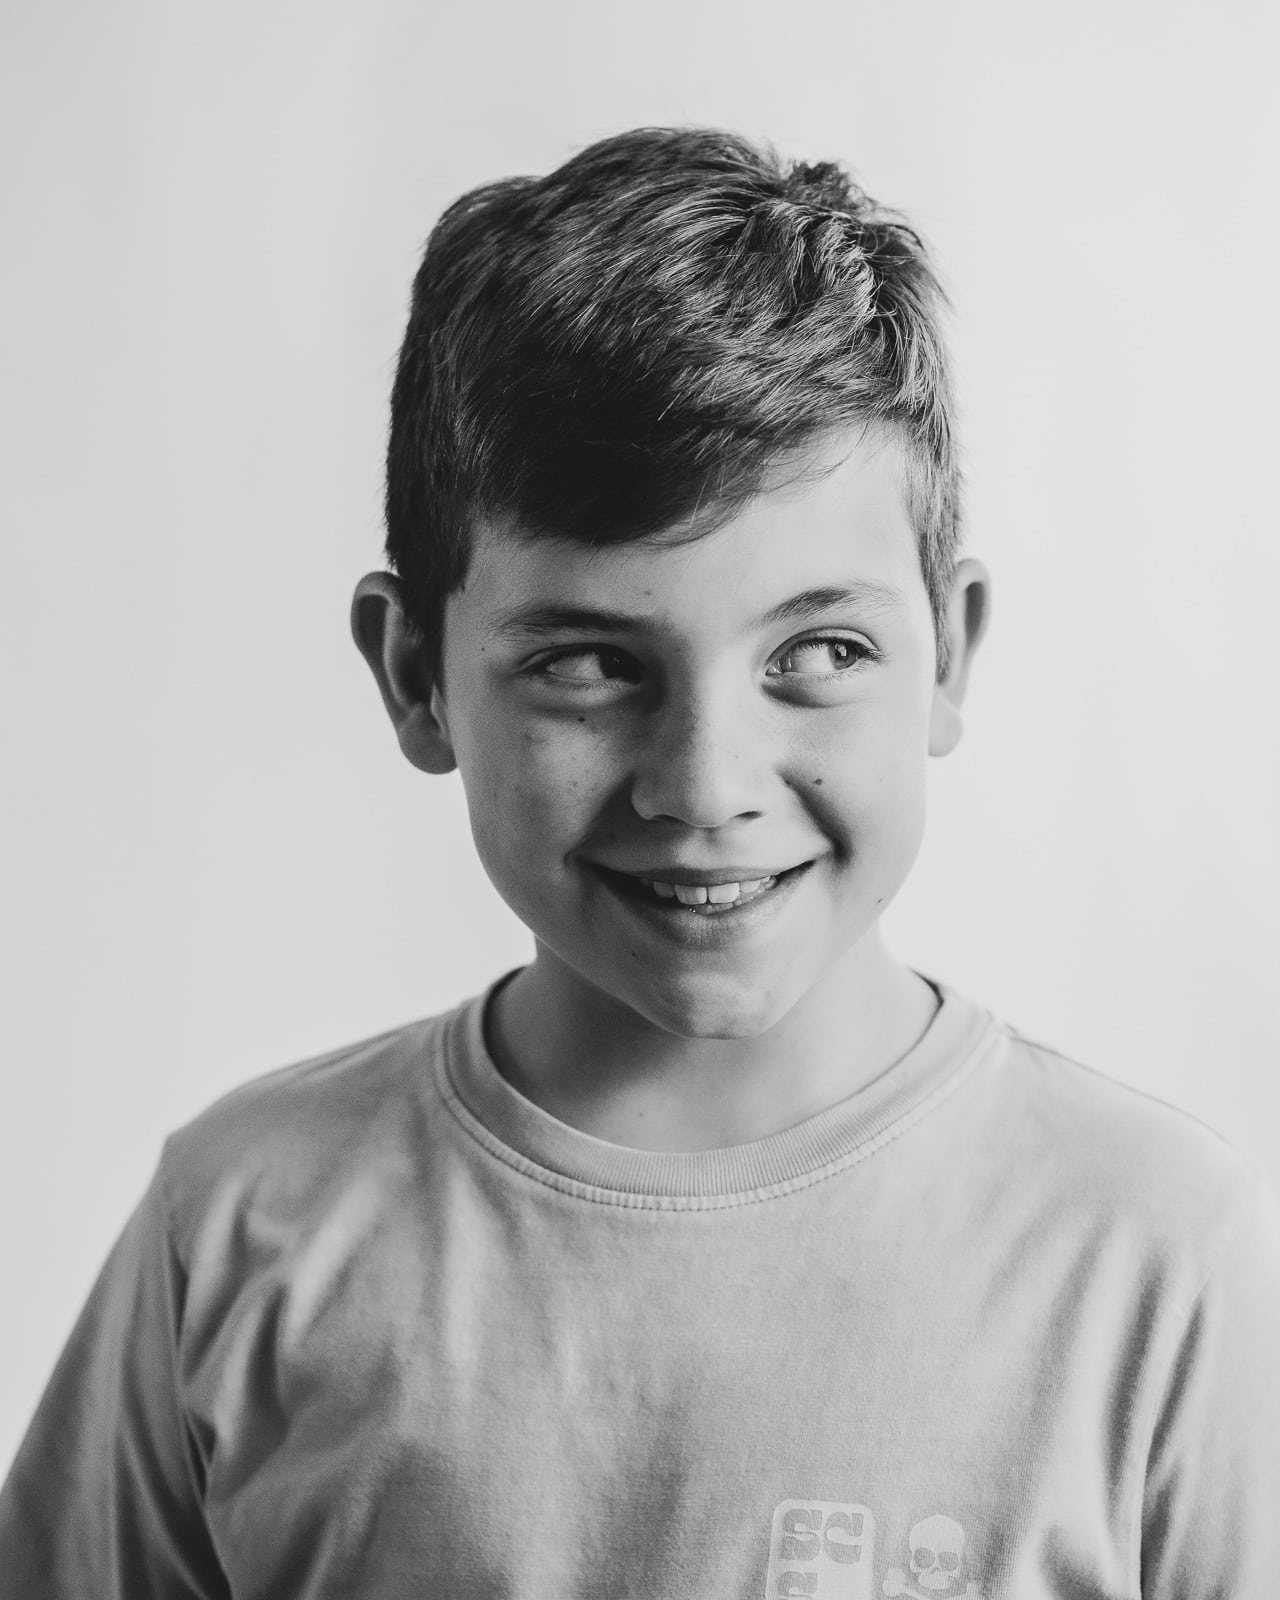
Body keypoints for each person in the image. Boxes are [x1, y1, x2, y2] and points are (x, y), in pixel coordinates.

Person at [1, 126, 1277, 1600]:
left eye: (821, 650)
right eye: (590, 664)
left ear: (949, 656)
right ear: (414, 675)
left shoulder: (1163, 1261)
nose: (706, 787)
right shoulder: (238, 1229)